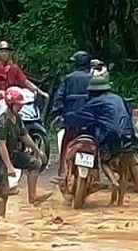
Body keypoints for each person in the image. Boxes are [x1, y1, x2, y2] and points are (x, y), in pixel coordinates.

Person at [63, 73, 136, 205]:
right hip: (129, 136)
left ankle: (113, 182)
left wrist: (65, 119)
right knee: (124, 168)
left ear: (93, 92)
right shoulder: (118, 98)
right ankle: (119, 202)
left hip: (110, 136)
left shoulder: (95, 102)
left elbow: (79, 116)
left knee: (104, 161)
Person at [0, 41, 47, 169]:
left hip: (12, 102)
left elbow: (25, 81)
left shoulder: (14, 68)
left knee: (19, 125)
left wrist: (39, 91)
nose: (4, 53)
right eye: (2, 51)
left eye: (6, 51)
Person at [0, 87, 51, 219]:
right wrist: (9, 167)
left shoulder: (17, 118)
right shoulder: (2, 122)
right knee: (4, 191)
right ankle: (0, 218)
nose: (21, 108)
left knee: (35, 163)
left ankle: (32, 197)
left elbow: (24, 136)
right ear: (10, 105)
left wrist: (38, 151)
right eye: (18, 105)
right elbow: (1, 145)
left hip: (12, 153)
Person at [50, 50, 93, 183]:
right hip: (90, 121)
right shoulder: (94, 79)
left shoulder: (68, 79)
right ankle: (96, 174)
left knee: (66, 144)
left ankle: (62, 173)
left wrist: (57, 112)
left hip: (71, 121)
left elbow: (59, 98)